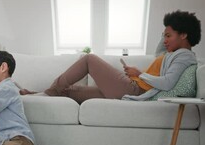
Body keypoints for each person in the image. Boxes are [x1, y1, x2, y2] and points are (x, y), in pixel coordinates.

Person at [20, 10, 201, 103]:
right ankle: (36, 95)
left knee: (89, 59)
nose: (165, 39)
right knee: (70, 91)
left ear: (184, 35)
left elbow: (168, 83)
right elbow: (161, 49)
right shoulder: (171, 53)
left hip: (134, 89)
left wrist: (138, 74)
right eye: (165, 36)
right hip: (133, 86)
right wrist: (170, 27)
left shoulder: (184, 56)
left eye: (169, 36)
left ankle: (45, 93)